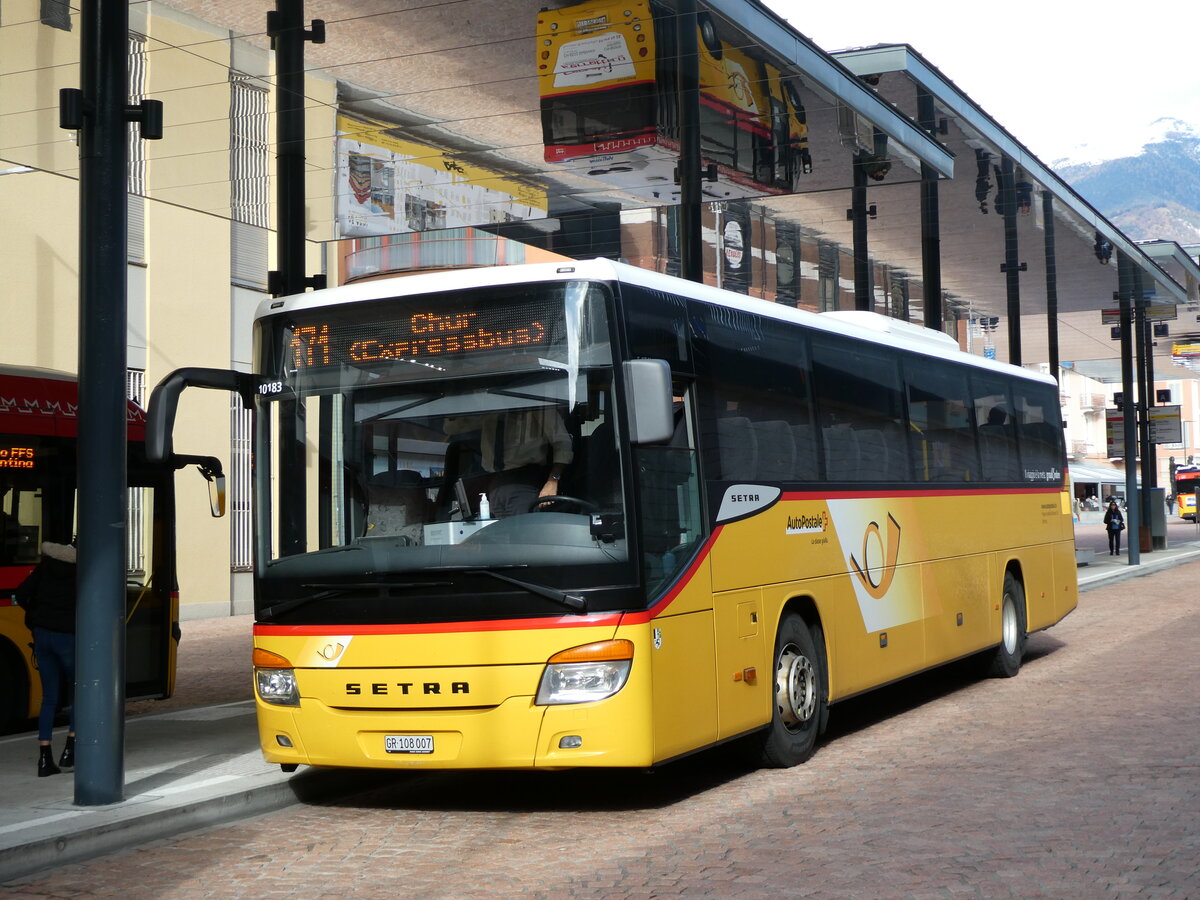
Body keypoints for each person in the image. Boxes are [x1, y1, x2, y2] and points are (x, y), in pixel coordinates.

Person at [15, 541, 78, 776]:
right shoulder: (79, 573)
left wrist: (35, 616)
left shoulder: (45, 568)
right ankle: (70, 750)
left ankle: (44, 759)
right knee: (79, 690)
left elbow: (21, 594)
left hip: (42, 637)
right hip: (68, 639)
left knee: (49, 697)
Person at [445, 407, 573, 518]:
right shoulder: (488, 407)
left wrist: (553, 480)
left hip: (523, 481)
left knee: (523, 535)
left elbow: (562, 443)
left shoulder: (537, 403)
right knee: (497, 538)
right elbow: (451, 428)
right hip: (494, 484)